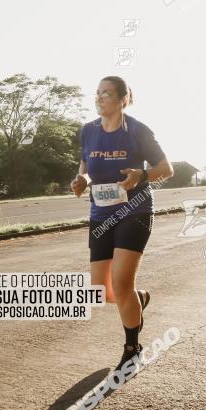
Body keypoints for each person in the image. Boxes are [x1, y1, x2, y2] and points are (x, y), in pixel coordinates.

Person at [71, 77, 173, 371]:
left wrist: (141, 175)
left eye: (107, 93)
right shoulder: (88, 131)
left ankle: (133, 348)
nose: (100, 98)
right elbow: (86, 170)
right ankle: (138, 300)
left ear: (122, 99)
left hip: (134, 211)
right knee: (101, 290)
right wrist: (81, 181)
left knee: (121, 283)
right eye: (97, 93)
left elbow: (166, 169)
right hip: (101, 214)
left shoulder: (138, 131)